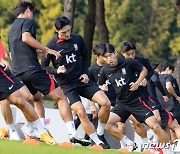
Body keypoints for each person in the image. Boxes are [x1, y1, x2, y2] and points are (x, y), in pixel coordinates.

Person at [8, 1, 88, 146]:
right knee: (61, 98)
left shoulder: (12, 28)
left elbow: (14, 51)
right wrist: (47, 49)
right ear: (27, 10)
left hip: (17, 71)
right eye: (31, 12)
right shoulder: (27, 21)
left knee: (35, 98)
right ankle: (72, 133)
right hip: (32, 69)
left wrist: (36, 51)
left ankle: (33, 130)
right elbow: (27, 38)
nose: (32, 15)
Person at [41, 16, 111, 149]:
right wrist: (56, 70)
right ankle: (98, 142)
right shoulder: (51, 45)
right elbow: (43, 66)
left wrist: (85, 72)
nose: (67, 34)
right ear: (56, 30)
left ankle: (100, 132)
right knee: (80, 112)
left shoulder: (78, 39)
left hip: (83, 81)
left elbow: (85, 56)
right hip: (68, 86)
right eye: (64, 32)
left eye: (69, 30)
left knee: (106, 103)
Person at [97, 43, 169, 152]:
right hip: (121, 104)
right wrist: (103, 86)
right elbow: (100, 84)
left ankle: (169, 151)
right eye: (105, 57)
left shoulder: (127, 62)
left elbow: (144, 70)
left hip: (137, 101)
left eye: (110, 55)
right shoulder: (104, 70)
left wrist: (137, 83)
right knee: (107, 126)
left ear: (115, 53)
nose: (109, 59)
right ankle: (129, 143)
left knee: (155, 126)